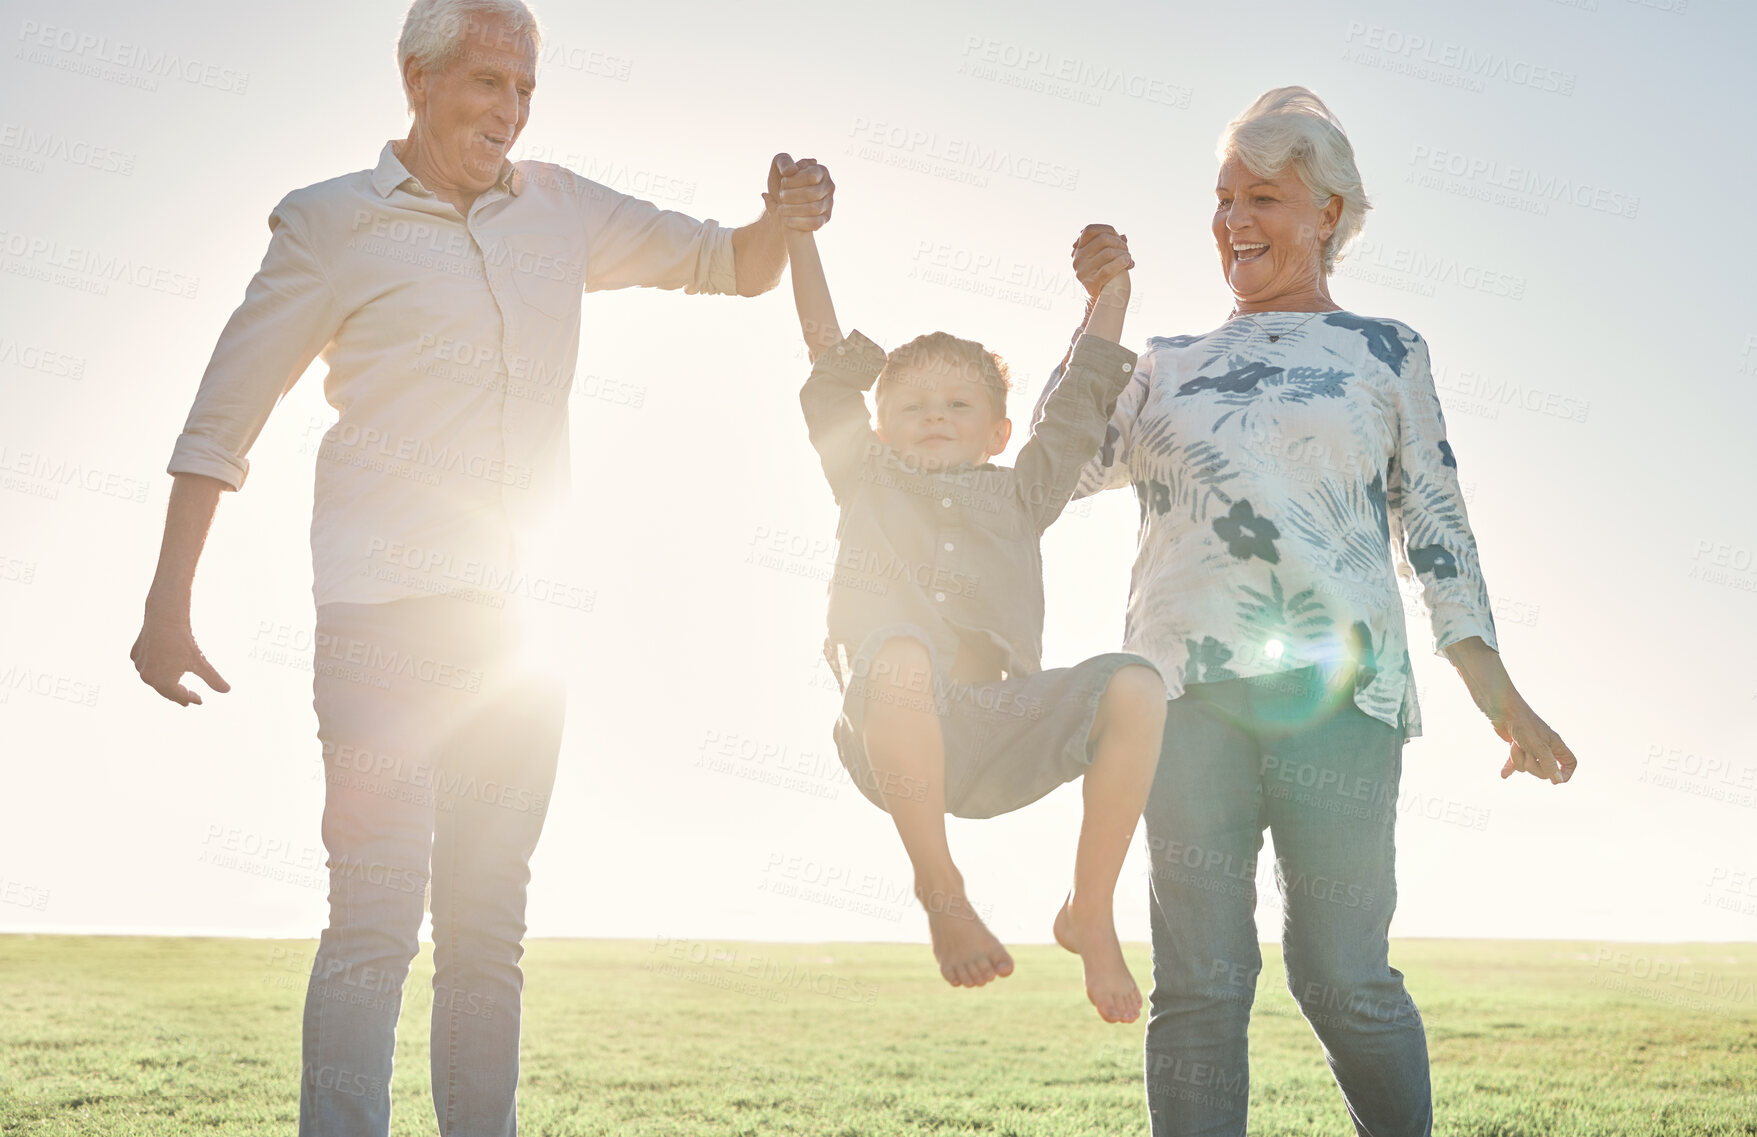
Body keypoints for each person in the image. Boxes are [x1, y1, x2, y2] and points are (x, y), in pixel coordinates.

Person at [127, 1, 834, 1133]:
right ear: (415, 78)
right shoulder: (328, 223)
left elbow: (731, 265)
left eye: (524, 91)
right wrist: (169, 606)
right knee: (373, 917)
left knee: (486, 930)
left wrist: (781, 217)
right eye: (486, 83)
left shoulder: (558, 208)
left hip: (514, 634)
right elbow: (222, 419)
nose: (507, 110)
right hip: (380, 624)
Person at [1044, 87, 1579, 1133]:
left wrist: (1496, 696)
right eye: (1221, 198)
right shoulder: (1163, 362)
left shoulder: (1385, 353)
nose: (1233, 221)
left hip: (1338, 695)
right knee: (1198, 985)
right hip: (1180, 697)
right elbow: (1059, 467)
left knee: (1338, 976)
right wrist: (1098, 311)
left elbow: (1434, 530)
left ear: (1327, 210)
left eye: (1264, 198)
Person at [787, 220, 1167, 1022]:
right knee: (896, 651)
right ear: (878, 427)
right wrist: (799, 236)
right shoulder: (863, 476)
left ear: (998, 431)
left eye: (958, 403)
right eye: (912, 405)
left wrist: (1111, 294)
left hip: (998, 730)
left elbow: (1076, 404)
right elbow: (825, 357)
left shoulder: (1022, 495)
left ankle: (1087, 909)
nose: (934, 414)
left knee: (1135, 685)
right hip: (888, 731)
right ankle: (942, 889)